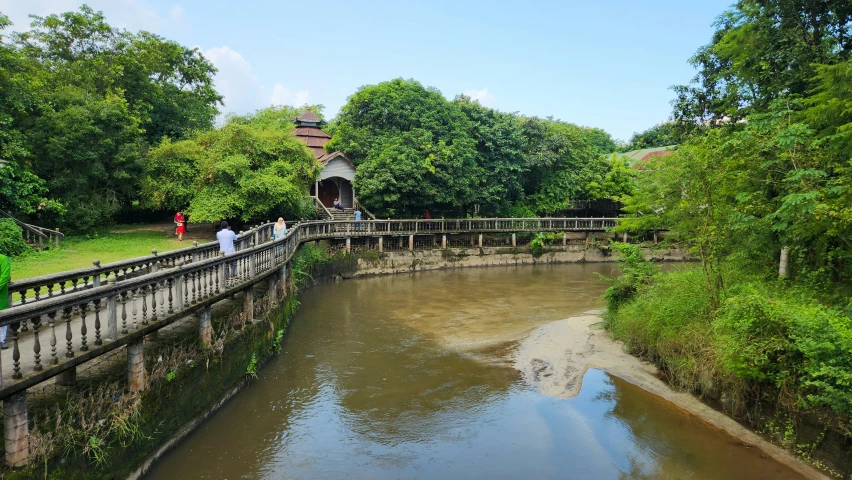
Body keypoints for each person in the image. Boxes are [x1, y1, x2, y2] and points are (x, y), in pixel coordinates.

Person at [0, 254, 10, 349]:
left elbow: (5, 275)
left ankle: (1, 340)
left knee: (2, 316)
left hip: (1, 293)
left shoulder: (3, 259)